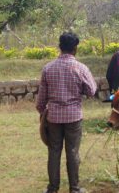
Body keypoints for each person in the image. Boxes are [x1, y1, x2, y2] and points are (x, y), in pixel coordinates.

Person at [36, 32, 97, 193]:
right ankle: (75, 189)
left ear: (60, 47)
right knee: (73, 152)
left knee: (54, 151)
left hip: (54, 117)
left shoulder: (48, 68)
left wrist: (42, 113)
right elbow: (91, 90)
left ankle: (53, 188)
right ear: (75, 48)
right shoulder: (81, 68)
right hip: (74, 117)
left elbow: (41, 99)